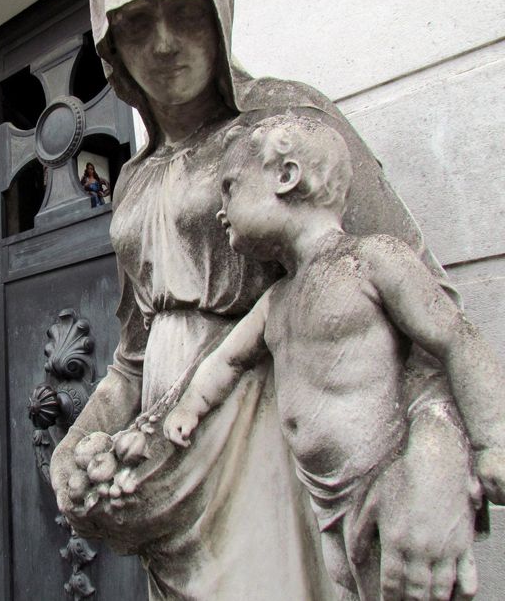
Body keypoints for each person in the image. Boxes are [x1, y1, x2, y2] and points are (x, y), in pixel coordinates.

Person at [50, 0, 485, 599]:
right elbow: (132, 361)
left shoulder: (286, 124)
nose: (163, 43)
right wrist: (77, 442)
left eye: (184, 12)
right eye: (136, 22)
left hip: (274, 454)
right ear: (110, 45)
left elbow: (420, 302)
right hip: (171, 467)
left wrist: (438, 457)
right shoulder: (134, 180)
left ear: (219, 12)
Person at [163, 115, 505, 599]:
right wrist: (189, 407)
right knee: (350, 586)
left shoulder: (371, 260)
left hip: (384, 477)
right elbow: (227, 360)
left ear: (286, 176)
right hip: (328, 502)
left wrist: (493, 442)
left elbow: (453, 337)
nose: (220, 211)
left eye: (230, 187)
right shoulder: (276, 301)